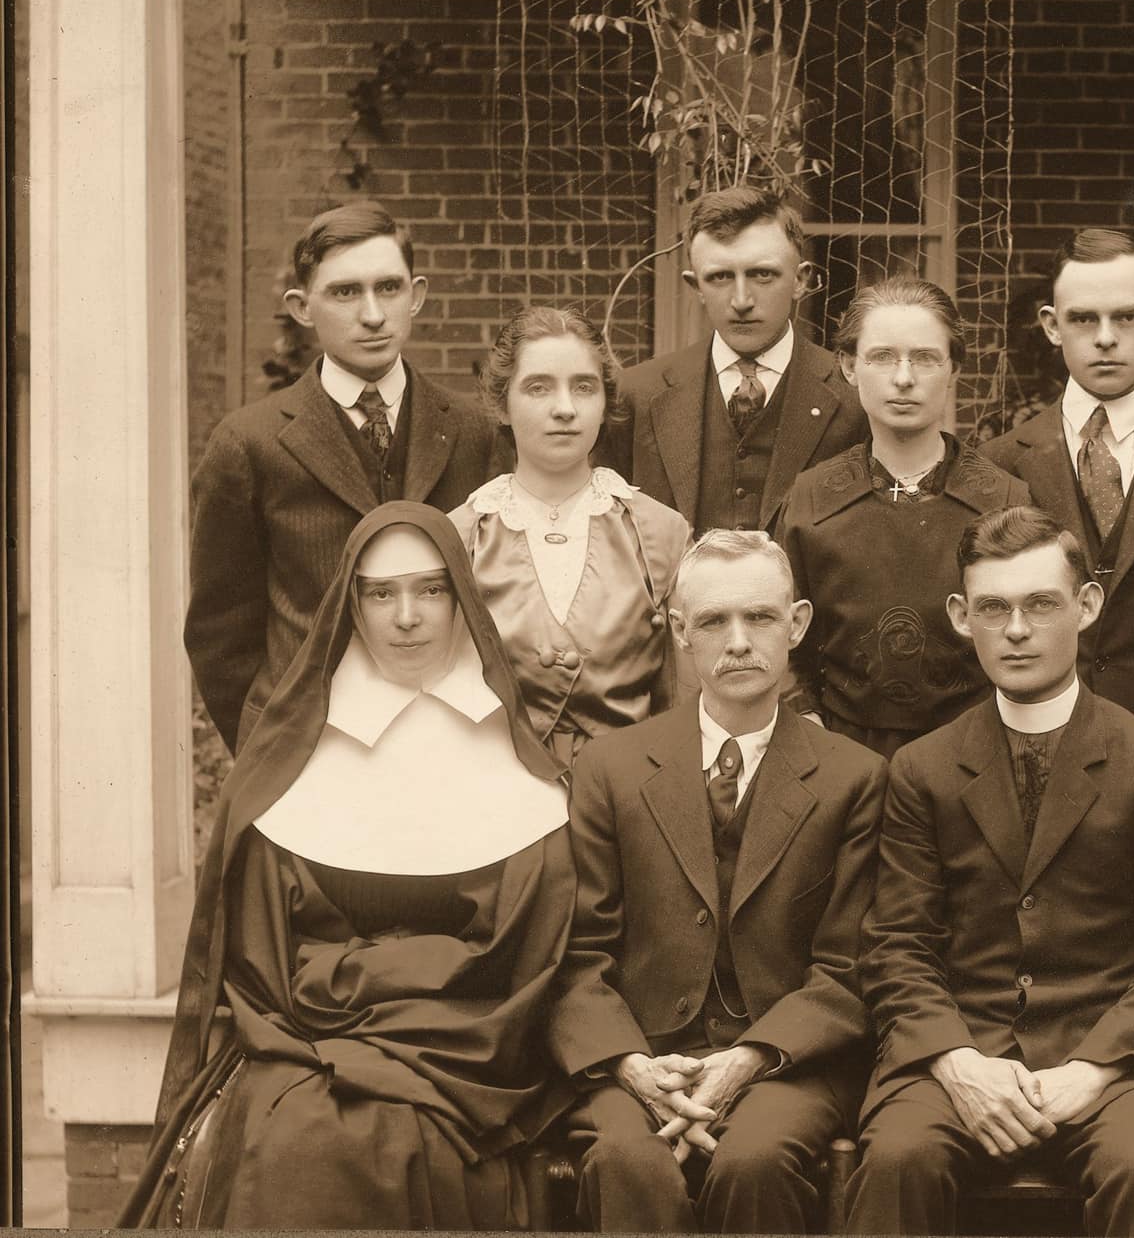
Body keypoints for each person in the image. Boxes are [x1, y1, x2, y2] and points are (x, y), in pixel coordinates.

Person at [124, 503, 578, 1228]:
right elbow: (262, 961)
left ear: (462, 598)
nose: (407, 616)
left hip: (471, 1049)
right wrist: (359, 1002)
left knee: (408, 1142)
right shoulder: (294, 759)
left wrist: (359, 982)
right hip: (309, 1041)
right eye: (381, 592)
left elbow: (525, 951)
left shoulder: (516, 763)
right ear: (352, 605)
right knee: (290, 1141)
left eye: (430, 590)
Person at [846, 506, 1134, 1237]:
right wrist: (958, 1063)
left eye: (1040, 604)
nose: (1016, 630)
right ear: (962, 616)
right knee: (898, 1159)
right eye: (993, 608)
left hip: (1112, 1057)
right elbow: (896, 945)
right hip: (959, 1049)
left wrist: (1093, 1070)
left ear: (1086, 606)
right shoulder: (923, 768)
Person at [547, 530, 885, 1232]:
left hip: (785, 1059)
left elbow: (848, 965)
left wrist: (747, 1059)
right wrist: (633, 1066)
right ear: (679, 632)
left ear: (796, 625)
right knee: (625, 1159)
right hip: (638, 1055)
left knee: (755, 1161)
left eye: (759, 618)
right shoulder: (611, 768)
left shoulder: (853, 776)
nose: (738, 642)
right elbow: (577, 952)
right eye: (712, 621)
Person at [185, 201, 499, 751]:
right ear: (302, 308)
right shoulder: (249, 443)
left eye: (389, 288)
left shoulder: (475, 431)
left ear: (417, 295)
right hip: (309, 745)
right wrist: (269, 744)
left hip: (453, 743)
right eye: (345, 292)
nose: (373, 314)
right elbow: (220, 631)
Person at [980, 229, 1134, 735]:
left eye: (1127, 317)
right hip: (1031, 734)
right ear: (1052, 326)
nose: (1105, 338)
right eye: (1082, 319)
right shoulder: (999, 464)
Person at [772, 276, 1031, 757]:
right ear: (849, 366)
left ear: (953, 368)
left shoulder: (1003, 499)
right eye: (882, 357)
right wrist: (808, 723)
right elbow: (780, 634)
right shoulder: (810, 501)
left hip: (973, 755)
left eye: (926, 358)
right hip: (839, 753)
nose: (904, 378)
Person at [450, 307, 691, 761]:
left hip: (628, 794)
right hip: (494, 791)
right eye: (538, 388)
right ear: (502, 405)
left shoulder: (659, 532)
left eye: (584, 387)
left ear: (605, 402)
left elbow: (681, 696)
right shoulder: (460, 536)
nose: (565, 408)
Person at [616, 184, 865, 530]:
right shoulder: (638, 395)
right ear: (696, 287)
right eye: (719, 277)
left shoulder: (854, 398)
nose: (742, 299)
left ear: (800, 280)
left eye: (762, 274)